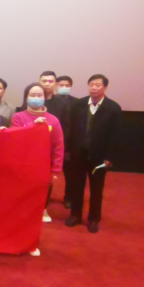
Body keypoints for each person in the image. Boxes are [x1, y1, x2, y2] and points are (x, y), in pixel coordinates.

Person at [66, 75, 122, 233]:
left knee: (96, 188)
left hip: (99, 157)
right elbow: (70, 129)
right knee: (76, 186)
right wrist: (68, 150)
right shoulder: (78, 105)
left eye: (98, 85)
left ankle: (93, 219)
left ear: (105, 87)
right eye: (91, 84)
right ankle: (75, 215)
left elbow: (116, 135)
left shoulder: (113, 108)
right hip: (78, 154)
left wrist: (110, 157)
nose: (94, 88)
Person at [11, 83, 64, 223]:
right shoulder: (18, 117)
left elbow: (58, 146)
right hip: (23, 163)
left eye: (39, 95)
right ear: (26, 98)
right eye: (32, 95)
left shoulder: (53, 120)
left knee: (43, 190)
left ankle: (42, 209)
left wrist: (56, 170)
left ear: (45, 97)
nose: (36, 98)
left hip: (44, 164)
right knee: (23, 191)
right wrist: (33, 126)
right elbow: (15, 138)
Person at [56, 75, 78, 207]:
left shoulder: (77, 103)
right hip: (53, 143)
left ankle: (69, 197)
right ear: (56, 86)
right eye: (61, 85)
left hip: (70, 143)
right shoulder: (50, 101)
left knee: (71, 174)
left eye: (67, 85)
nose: (64, 87)